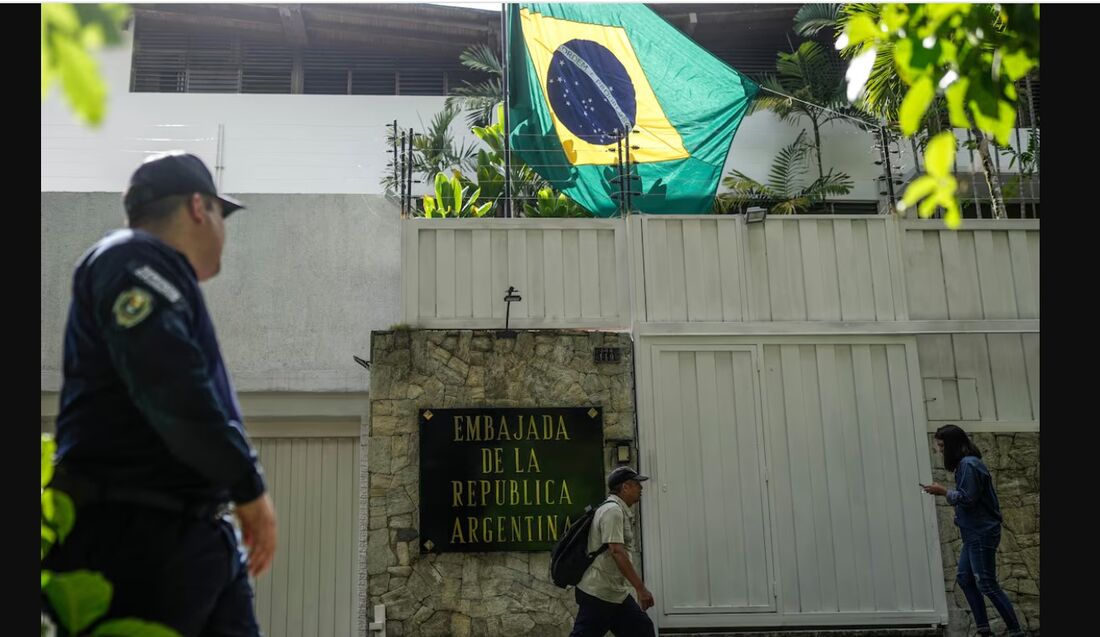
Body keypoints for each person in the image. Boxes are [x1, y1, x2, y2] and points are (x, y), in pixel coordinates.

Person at [44, 151, 277, 637]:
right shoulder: (130, 258)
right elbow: (173, 386)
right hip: (135, 531)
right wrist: (248, 486)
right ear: (199, 207)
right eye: (221, 215)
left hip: (194, 534)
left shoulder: (158, 273)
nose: (224, 233)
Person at [923, 424, 1027, 637]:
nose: (940, 450)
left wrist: (943, 491)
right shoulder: (966, 464)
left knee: (987, 583)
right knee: (965, 578)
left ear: (952, 445)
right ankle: (983, 630)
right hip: (973, 533)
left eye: (942, 446)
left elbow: (968, 499)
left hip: (981, 532)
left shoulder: (969, 465)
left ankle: (1017, 632)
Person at [569, 466, 656, 637]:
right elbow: (616, 551)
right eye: (637, 484)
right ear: (625, 487)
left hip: (614, 593)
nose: (641, 488)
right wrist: (640, 588)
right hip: (599, 593)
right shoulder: (613, 511)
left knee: (642, 629)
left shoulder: (615, 509)